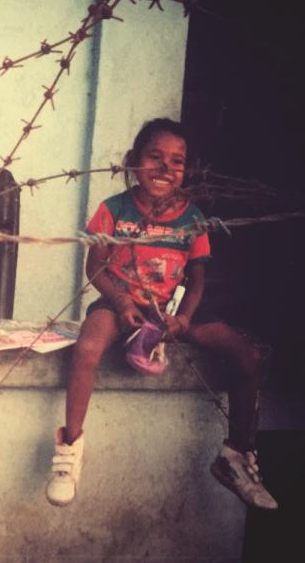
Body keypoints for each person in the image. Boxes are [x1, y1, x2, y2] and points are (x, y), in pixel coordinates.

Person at [46, 117, 278, 510]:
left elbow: (198, 280)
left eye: (177, 162)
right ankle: (70, 450)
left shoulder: (192, 219)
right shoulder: (114, 210)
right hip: (119, 305)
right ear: (133, 161)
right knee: (87, 349)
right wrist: (120, 302)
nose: (165, 169)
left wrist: (184, 319)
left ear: (186, 170)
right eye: (154, 157)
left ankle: (236, 455)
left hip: (169, 313)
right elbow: (95, 267)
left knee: (247, 355)